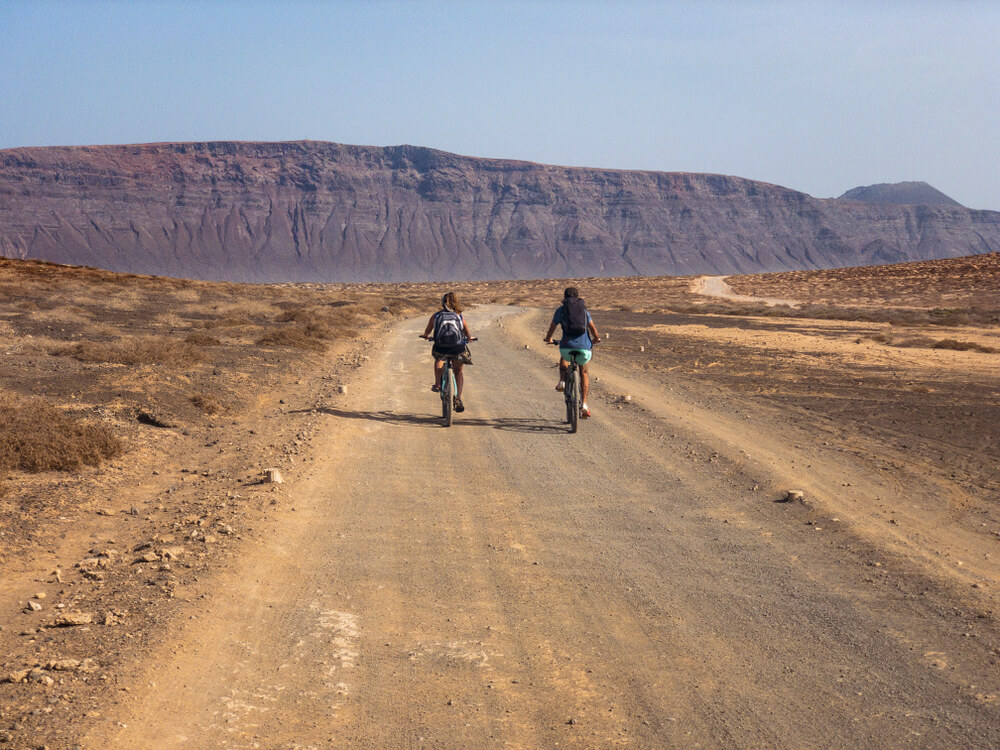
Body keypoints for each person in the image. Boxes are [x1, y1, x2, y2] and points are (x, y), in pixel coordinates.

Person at [543, 287, 600, 418]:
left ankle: (562, 380)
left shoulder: (561, 310)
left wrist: (548, 338)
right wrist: (596, 338)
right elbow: (592, 327)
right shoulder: (583, 310)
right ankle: (584, 404)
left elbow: (553, 326)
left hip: (566, 346)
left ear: (565, 297)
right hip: (584, 347)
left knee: (564, 353)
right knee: (584, 373)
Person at [421, 292, 475, 412]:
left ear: (442, 302)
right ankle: (458, 399)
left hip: (441, 347)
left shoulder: (436, 316)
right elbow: (466, 331)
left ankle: (437, 384)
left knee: (439, 358)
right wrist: (469, 338)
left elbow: (428, 330)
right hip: (457, 348)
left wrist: (425, 335)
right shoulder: (459, 316)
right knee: (458, 371)